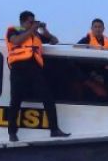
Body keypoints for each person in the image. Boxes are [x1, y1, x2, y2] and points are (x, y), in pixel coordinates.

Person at [6, 10, 69, 141]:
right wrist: (31, 30)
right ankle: (12, 133)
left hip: (34, 69)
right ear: (23, 22)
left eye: (34, 21)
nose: (33, 24)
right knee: (15, 101)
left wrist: (44, 30)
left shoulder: (36, 35)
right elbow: (16, 41)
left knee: (48, 98)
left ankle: (54, 130)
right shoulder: (13, 30)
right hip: (18, 69)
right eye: (31, 21)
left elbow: (54, 41)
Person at [77, 18, 108, 102]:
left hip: (106, 77)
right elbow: (76, 56)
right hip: (91, 76)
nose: (98, 29)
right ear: (91, 28)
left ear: (103, 29)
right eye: (95, 27)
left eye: (100, 27)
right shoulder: (85, 41)